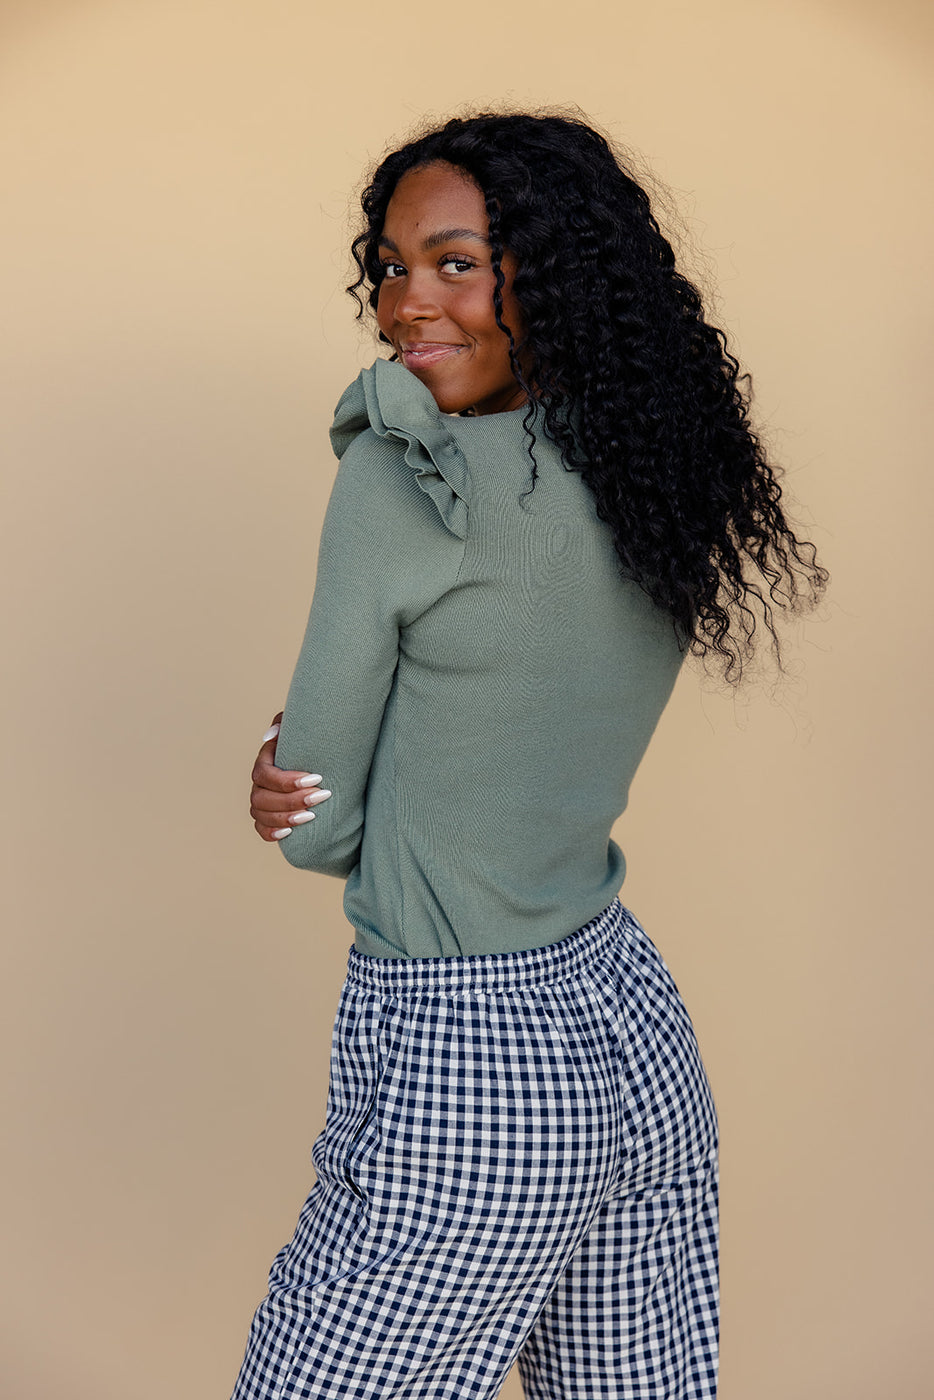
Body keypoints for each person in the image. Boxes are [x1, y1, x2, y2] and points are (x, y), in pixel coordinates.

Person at [231, 111, 826, 1399]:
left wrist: (289, 776)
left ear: (544, 270)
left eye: (456, 262)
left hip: (466, 1056)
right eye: (390, 267)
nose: (406, 305)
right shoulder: (656, 462)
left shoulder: (403, 480)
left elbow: (323, 821)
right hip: (628, 1023)